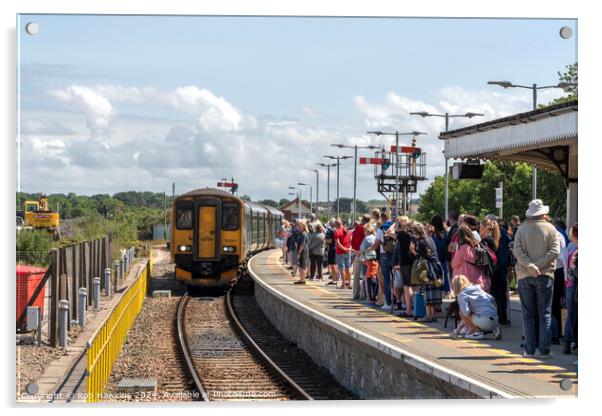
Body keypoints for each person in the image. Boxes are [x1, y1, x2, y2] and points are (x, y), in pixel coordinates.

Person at [512, 199, 560, 359]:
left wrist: (530, 266)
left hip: (524, 275)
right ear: (543, 213)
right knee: (544, 313)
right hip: (545, 275)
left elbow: (517, 251)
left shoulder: (521, 230)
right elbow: (555, 251)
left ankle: (529, 350)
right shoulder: (551, 229)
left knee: (528, 314)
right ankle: (544, 350)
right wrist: (539, 266)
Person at [450, 275, 502, 340]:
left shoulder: (462, 294)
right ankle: (494, 329)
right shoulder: (477, 289)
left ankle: (476, 332)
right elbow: (493, 299)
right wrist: (495, 312)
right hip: (495, 319)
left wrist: (457, 331)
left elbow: (465, 313)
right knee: (476, 313)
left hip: (484, 321)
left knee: (461, 312)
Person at [411, 222, 443, 322]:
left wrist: (413, 251)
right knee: (433, 293)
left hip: (428, 268)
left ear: (416, 232)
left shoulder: (421, 242)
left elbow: (421, 258)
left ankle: (428, 316)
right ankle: (433, 316)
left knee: (428, 294)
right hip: (436, 267)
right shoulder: (430, 238)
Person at [451, 224, 489, 290]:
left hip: (464, 279)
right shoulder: (477, 244)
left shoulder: (462, 247)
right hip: (477, 276)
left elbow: (454, 263)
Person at [393, 216, 416, 317]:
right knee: (414, 286)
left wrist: (396, 224)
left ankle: (409, 309)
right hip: (413, 262)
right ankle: (414, 308)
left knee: (407, 286)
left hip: (405, 263)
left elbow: (391, 232)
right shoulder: (413, 235)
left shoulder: (402, 235)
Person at [372, 211, 395, 310]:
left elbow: (376, 244)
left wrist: (369, 249)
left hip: (384, 255)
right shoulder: (395, 226)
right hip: (394, 255)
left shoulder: (380, 229)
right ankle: (397, 301)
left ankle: (388, 303)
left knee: (386, 280)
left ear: (382, 218)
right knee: (395, 279)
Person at [563, 223, 578, 354]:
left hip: (571, 285)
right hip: (571, 285)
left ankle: (569, 342)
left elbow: (567, 268)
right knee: (572, 316)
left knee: (572, 316)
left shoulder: (573, 248)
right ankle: (569, 342)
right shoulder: (573, 247)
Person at [431, 214, 450, 297]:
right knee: (445, 276)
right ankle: (446, 291)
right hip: (445, 259)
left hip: (436, 259)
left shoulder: (433, 235)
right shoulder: (446, 233)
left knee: (437, 279)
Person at [352, 215, 370, 300]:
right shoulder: (368, 229)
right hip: (366, 254)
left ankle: (355, 294)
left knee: (356, 275)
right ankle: (363, 294)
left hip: (357, 253)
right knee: (364, 275)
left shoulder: (356, 230)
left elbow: (352, 242)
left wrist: (356, 250)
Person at [361, 224, 379, 305]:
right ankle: (375, 298)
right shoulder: (376, 237)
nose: (364, 232)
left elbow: (362, 249)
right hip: (376, 260)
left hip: (367, 260)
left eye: (364, 230)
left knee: (367, 280)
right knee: (375, 280)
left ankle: (370, 299)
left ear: (367, 231)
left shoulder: (366, 239)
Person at [334, 219, 353, 289]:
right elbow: (350, 240)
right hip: (348, 252)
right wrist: (348, 248)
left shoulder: (337, 232)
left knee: (342, 268)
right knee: (348, 268)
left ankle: (343, 284)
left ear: (336, 224)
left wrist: (343, 249)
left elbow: (337, 243)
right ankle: (350, 284)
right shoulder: (347, 231)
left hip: (340, 252)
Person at [294, 220, 309, 285]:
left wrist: (299, 253)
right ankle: (301, 279)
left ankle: (302, 280)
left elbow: (302, 245)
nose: (298, 228)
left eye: (300, 226)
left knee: (303, 266)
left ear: (303, 226)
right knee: (301, 266)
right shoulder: (302, 233)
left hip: (303, 252)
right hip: (303, 251)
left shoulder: (303, 234)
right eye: (298, 226)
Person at [325, 218, 338, 286]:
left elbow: (329, 241)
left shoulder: (331, 231)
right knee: (334, 265)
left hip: (332, 249)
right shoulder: (336, 230)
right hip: (335, 248)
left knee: (333, 265)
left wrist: (324, 239)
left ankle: (334, 280)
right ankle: (334, 279)